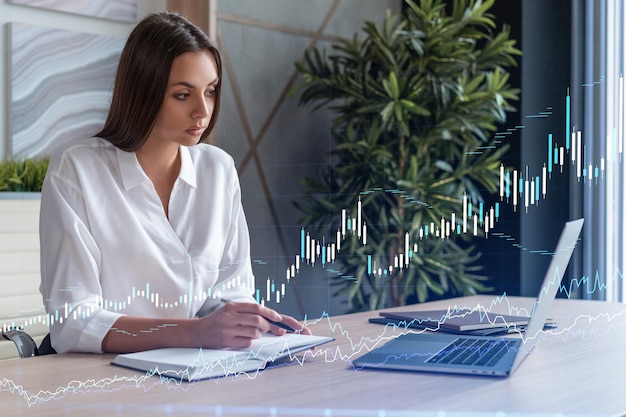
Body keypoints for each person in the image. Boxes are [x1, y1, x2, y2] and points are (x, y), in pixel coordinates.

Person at [39, 11, 310, 354]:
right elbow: (73, 321)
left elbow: (227, 295)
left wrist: (257, 325)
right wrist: (195, 332)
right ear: (144, 91)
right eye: (183, 95)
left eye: (210, 91)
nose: (203, 111)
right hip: (104, 379)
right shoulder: (78, 170)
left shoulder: (219, 170)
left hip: (193, 371)